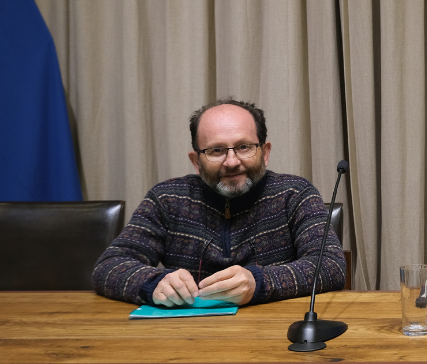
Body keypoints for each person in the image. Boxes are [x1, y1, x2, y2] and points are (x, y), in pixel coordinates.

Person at [92, 98, 345, 307]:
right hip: (186, 339)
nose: (232, 161)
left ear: (265, 152)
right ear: (196, 161)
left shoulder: (295, 193)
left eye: (244, 147)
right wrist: (153, 282)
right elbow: (109, 266)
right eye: (216, 150)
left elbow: (330, 266)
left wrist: (260, 283)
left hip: (275, 333)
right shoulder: (166, 199)